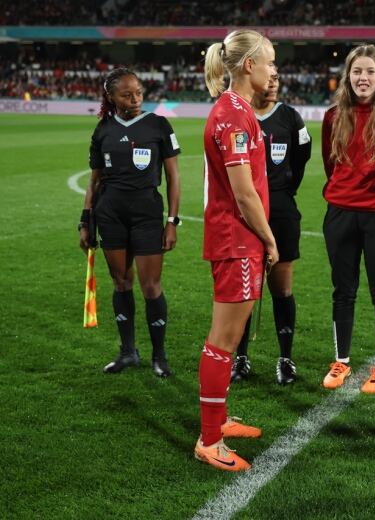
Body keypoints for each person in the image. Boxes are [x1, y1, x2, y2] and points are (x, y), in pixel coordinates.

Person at [196, 29, 279, 472]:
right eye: (269, 62)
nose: (273, 71)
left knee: (226, 340)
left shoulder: (239, 111)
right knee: (223, 341)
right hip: (237, 239)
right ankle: (209, 440)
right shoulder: (232, 116)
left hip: (238, 238)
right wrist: (268, 238)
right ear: (249, 66)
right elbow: (244, 194)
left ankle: (219, 419)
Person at [320, 44, 375, 394]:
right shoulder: (332, 115)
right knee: (343, 291)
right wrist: (344, 191)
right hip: (340, 212)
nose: (363, 77)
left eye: (370, 71)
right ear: (348, 76)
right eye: (357, 71)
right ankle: (341, 361)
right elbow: (331, 163)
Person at [80, 67, 181, 378]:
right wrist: (85, 220)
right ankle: (128, 352)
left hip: (147, 215)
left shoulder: (159, 125)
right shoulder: (102, 130)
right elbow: (95, 181)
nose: (135, 98)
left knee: (151, 286)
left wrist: (172, 221)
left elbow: (173, 178)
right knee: (121, 283)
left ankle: (159, 357)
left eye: (138, 92)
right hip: (110, 215)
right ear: (111, 97)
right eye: (127, 94)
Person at [230, 71, 312, 385]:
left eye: (279, 79)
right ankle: (240, 358)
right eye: (270, 77)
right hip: (245, 212)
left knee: (282, 289)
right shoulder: (240, 117)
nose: (275, 83)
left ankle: (285, 359)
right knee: (246, 290)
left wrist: (283, 192)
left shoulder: (291, 118)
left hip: (281, 210)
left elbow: (301, 159)